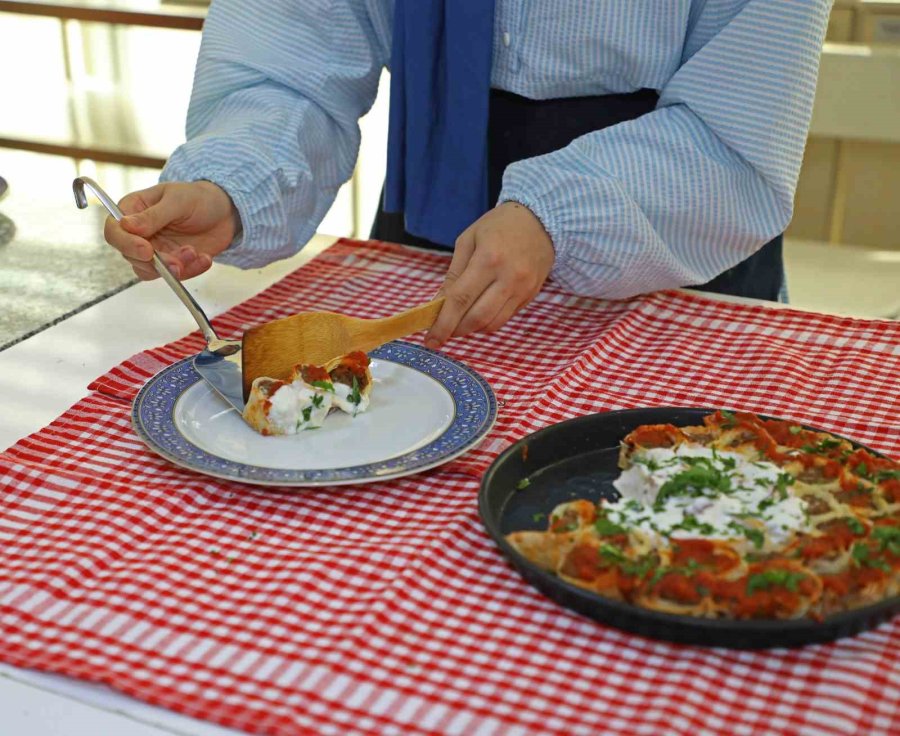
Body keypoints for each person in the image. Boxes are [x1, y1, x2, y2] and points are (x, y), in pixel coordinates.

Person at [103, 1, 831, 351]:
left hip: (683, 230)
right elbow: (293, 48)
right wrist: (234, 183)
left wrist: (557, 215)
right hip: (434, 228)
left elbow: (737, 128)